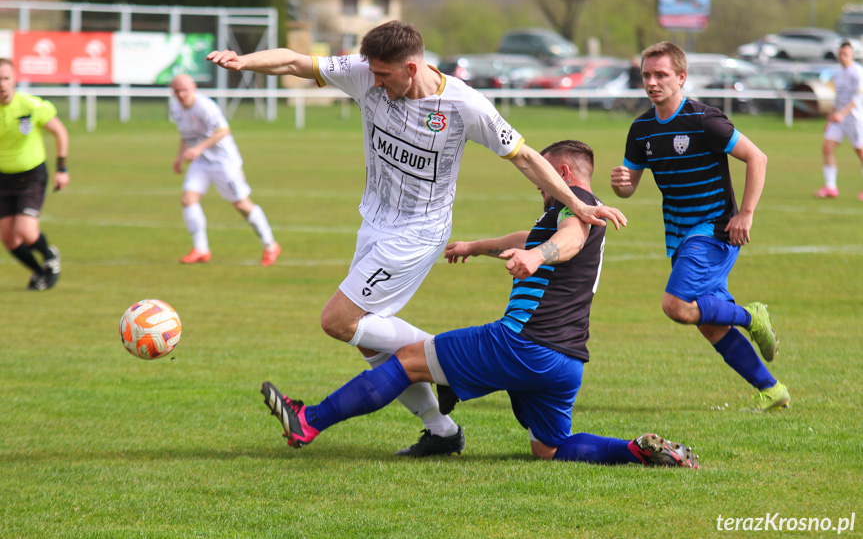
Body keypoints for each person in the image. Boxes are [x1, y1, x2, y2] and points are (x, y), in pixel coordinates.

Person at [207, 20, 627, 456]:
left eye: (383, 75)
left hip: (417, 231)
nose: (374, 83)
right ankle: (441, 429)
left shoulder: (464, 105)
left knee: (337, 320)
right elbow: (295, 61)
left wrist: (576, 205)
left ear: (411, 67)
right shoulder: (367, 70)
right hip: (373, 221)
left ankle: (442, 365)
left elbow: (523, 157)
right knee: (366, 337)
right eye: (371, 72)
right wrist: (244, 62)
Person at [258, 140, 698, 469]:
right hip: (565, 361)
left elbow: (568, 240)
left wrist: (537, 257)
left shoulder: (578, 203)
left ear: (560, 170)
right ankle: (635, 451)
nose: (539, 187)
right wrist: (476, 245)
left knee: (409, 360)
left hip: (522, 342)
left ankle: (309, 420)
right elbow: (527, 238)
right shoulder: (573, 208)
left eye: (541, 178)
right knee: (549, 448)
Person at [610, 41, 790, 412]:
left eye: (661, 74)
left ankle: (750, 315)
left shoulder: (704, 119)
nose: (652, 82)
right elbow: (630, 187)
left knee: (676, 306)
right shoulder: (641, 128)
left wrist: (747, 213)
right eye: (647, 74)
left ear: (681, 77)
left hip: (713, 230)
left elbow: (757, 157)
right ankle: (773, 390)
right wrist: (621, 185)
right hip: (679, 237)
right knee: (708, 323)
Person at [168, 74, 281, 266]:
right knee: (188, 199)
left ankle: (270, 245)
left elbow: (223, 131)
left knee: (241, 205)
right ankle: (201, 249)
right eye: (177, 91)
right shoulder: (175, 108)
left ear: (193, 87)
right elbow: (185, 134)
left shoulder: (205, 107)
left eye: (184, 90)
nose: (181, 94)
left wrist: (198, 148)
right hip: (202, 162)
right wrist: (179, 157)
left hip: (224, 162)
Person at [0, 58, 67, 291]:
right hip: (2, 179)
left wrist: (62, 168)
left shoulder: (31, 105)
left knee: (25, 231)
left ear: (14, 80)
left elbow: (59, 132)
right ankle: (40, 273)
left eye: (6, 78)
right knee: (8, 238)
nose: (2, 84)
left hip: (30, 176)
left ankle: (49, 254)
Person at [814, 40, 863, 200]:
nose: (842, 57)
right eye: (840, 54)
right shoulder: (838, 74)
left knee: (860, 152)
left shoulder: (858, 72)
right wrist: (831, 118)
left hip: (854, 118)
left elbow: (857, 97)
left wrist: (842, 114)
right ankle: (830, 187)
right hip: (839, 118)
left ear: (852, 55)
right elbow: (838, 99)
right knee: (827, 148)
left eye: (846, 54)